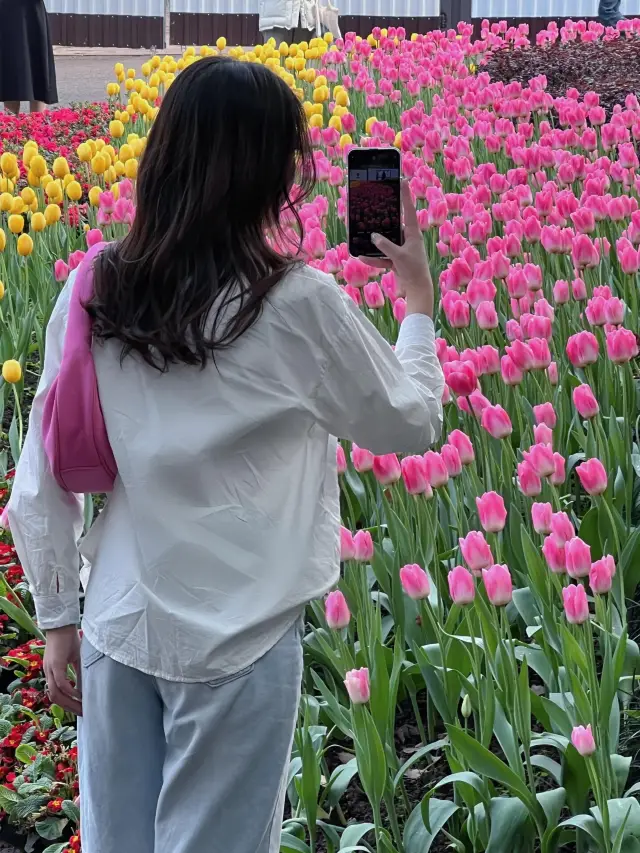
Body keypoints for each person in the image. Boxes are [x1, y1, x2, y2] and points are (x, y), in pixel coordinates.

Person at [8, 57, 443, 853]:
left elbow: (38, 480)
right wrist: (417, 300)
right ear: (271, 173)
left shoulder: (97, 284)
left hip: (119, 619)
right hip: (240, 639)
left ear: (166, 154)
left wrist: (58, 621)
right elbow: (409, 423)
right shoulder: (296, 303)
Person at [0, 0, 58, 114]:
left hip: (32, 10)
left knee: (38, 66)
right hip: (8, 10)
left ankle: (36, 126)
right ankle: (10, 126)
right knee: (11, 67)